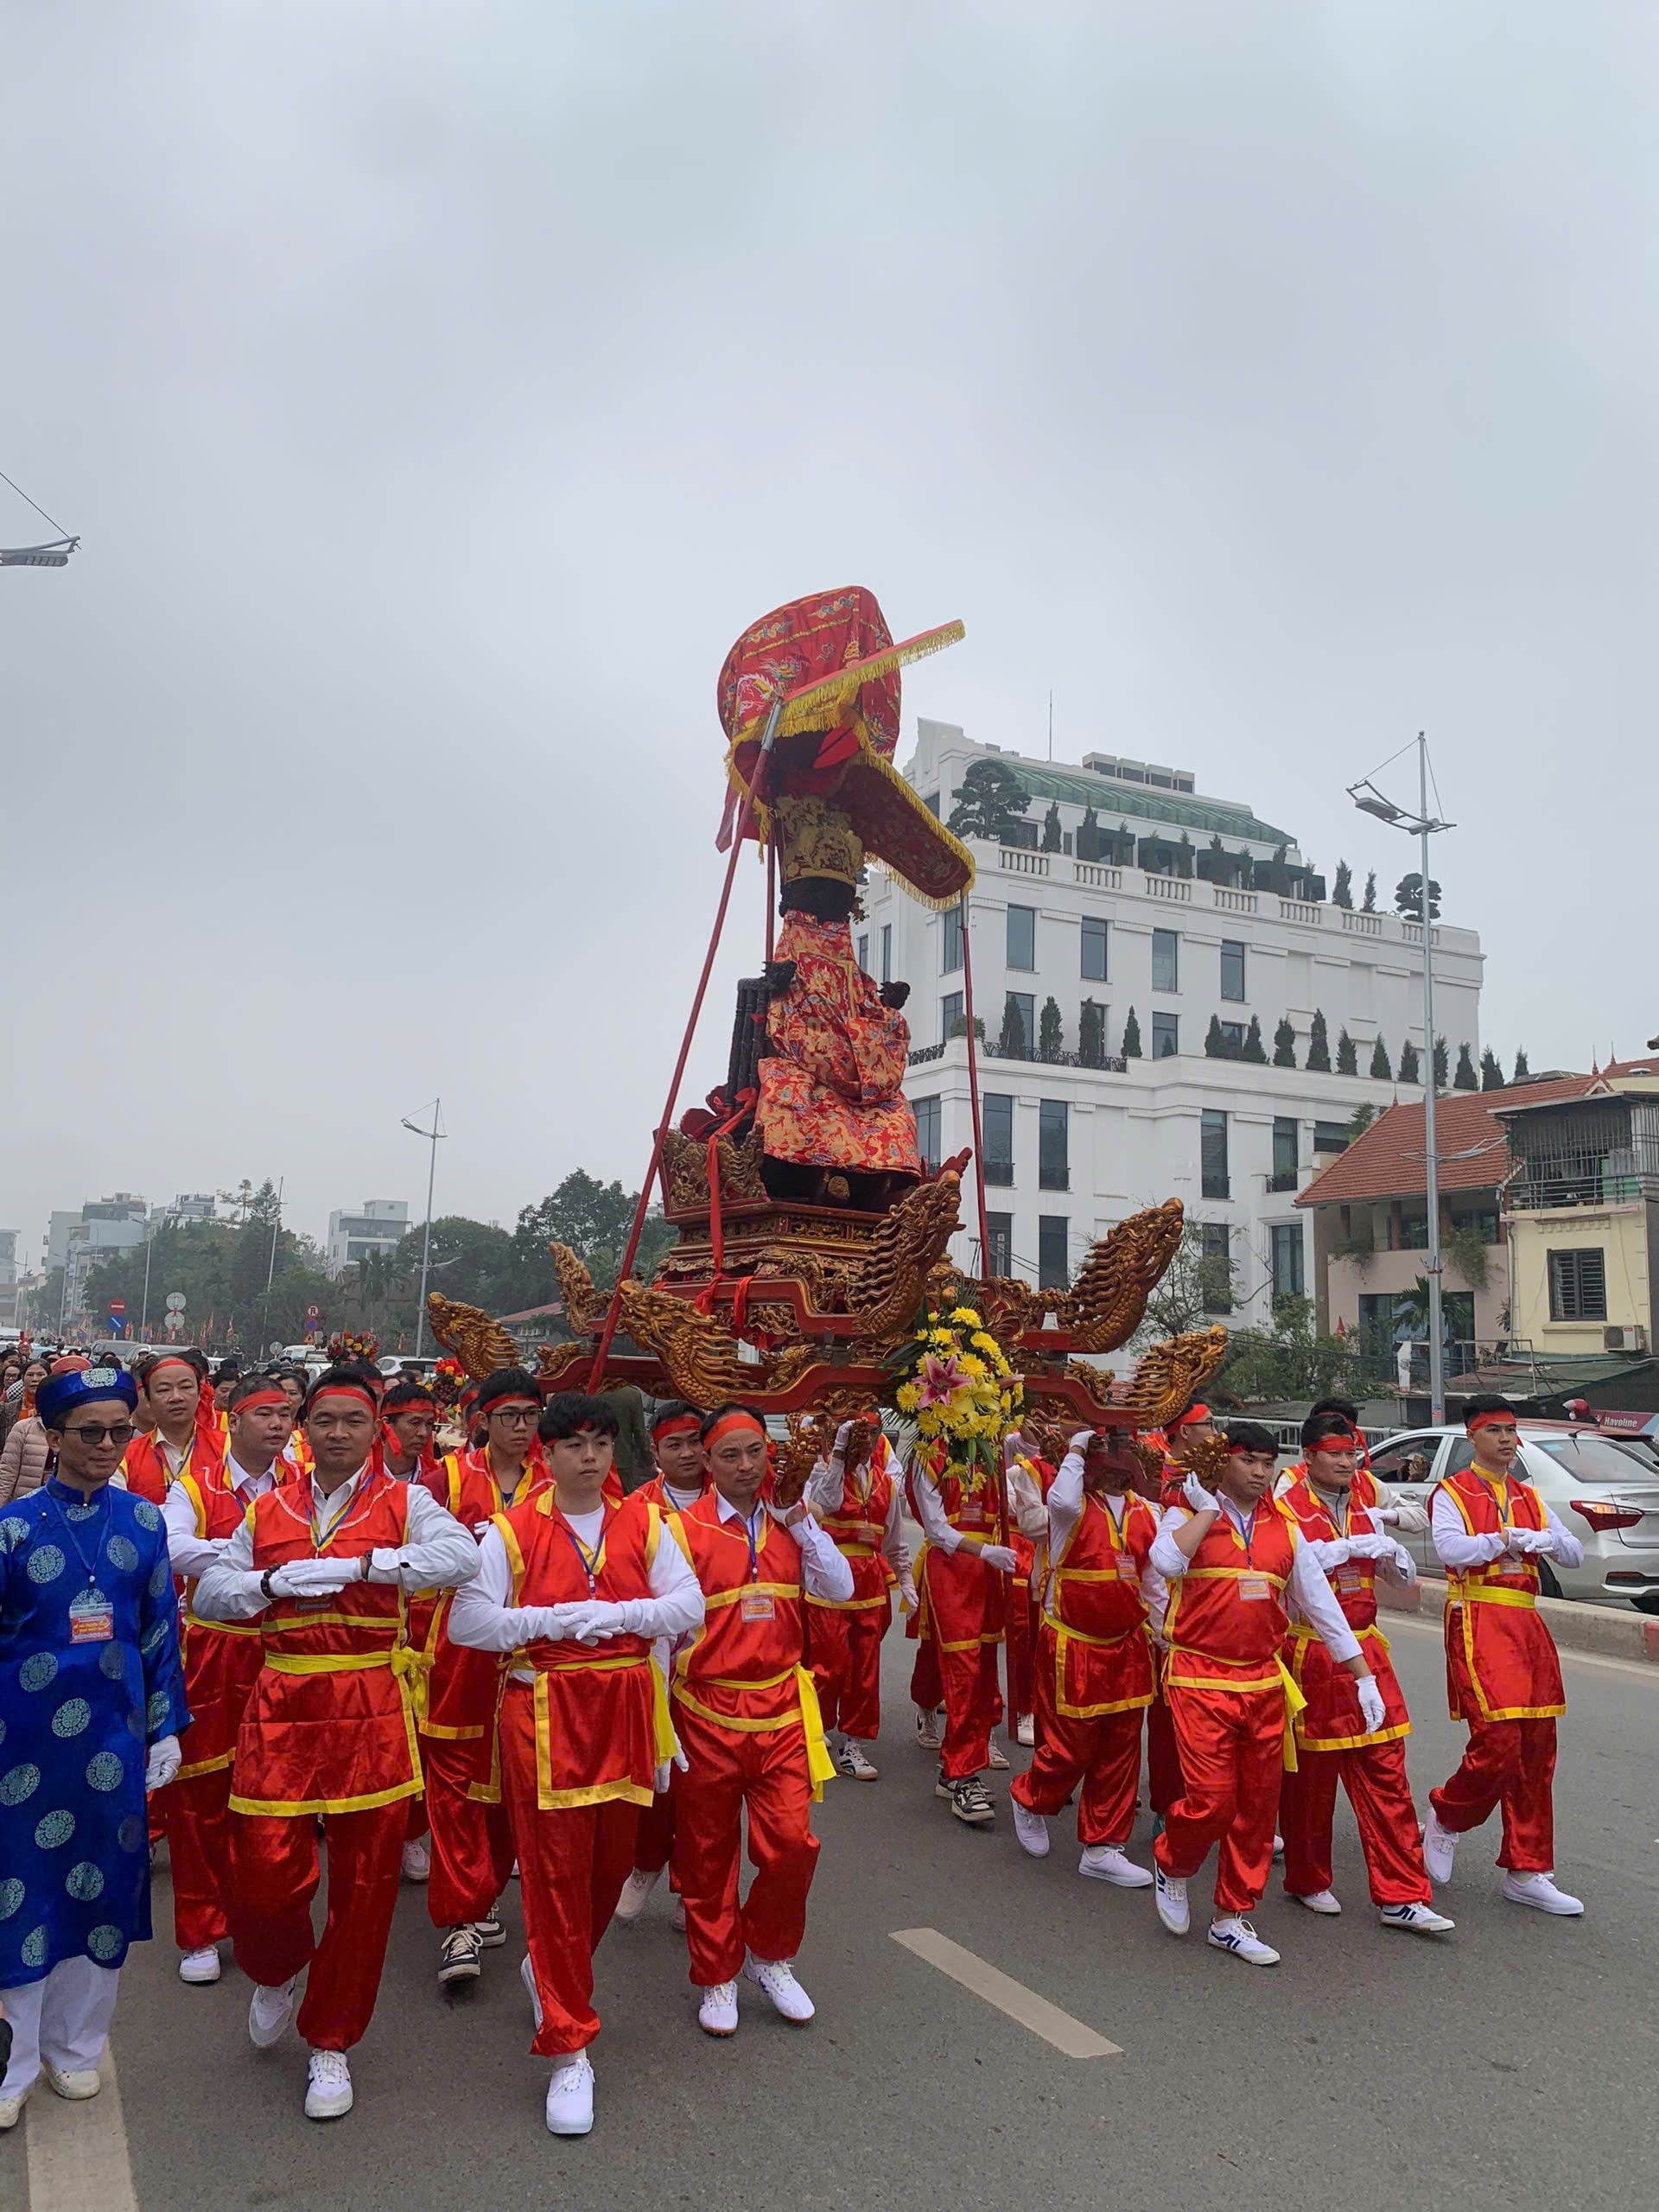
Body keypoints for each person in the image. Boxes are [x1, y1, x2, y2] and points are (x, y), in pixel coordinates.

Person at [191, 1365, 476, 2120]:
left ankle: (332, 2042)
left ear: (374, 1427)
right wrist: (273, 1584)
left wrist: (364, 1566)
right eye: (325, 1421)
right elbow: (214, 1590)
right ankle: (278, 1968)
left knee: (364, 1888)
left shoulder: (406, 1501)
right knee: (262, 1874)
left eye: (354, 1420)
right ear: (305, 1429)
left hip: (370, 1708)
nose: (339, 1433)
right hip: (282, 1701)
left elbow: (460, 1559)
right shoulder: (268, 1506)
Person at [448, 1392, 703, 2135]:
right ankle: (569, 2044)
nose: (588, 1456)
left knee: (608, 1868)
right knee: (555, 1875)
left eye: (600, 1443)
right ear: (547, 1456)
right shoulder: (510, 1529)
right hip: (542, 1710)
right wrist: (549, 1621)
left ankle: (551, 1969)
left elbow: (689, 1603)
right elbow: (470, 1619)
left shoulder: (647, 1522)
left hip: (623, 1710)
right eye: (573, 1445)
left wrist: (624, 1615)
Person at [0, 1363, 188, 2130]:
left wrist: (165, 1728)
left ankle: (75, 2051)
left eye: (120, 1430)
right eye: (91, 1432)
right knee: (20, 1898)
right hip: (21, 1750)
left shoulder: (144, 1523)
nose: (109, 1444)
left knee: (100, 1897)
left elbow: (158, 1636)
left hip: (112, 1744)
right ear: (52, 1437)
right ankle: (9, 2067)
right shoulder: (11, 1531)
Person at [1149, 1421, 1388, 1967]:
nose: (1259, 1473)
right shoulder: (1184, 1516)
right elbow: (1165, 1564)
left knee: (1257, 1808)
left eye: (1266, 1464)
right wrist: (1207, 1507)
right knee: (1213, 1800)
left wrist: (1364, 1675)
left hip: (1262, 1680)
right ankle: (1174, 1860)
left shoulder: (1286, 1529)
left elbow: (1322, 1606)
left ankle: (1231, 1916)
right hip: (1200, 1677)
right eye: (1246, 1461)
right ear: (1221, 1463)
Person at [669, 1403, 851, 2036]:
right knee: (705, 1854)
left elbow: (841, 1586)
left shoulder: (789, 1526)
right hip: (705, 1715)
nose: (746, 1466)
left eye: (755, 1452)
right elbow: (661, 1637)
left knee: (792, 1847)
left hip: (779, 1713)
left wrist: (801, 1525)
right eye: (730, 1455)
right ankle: (717, 1973)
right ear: (706, 1462)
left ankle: (769, 1955)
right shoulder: (679, 1530)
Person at [1275, 1413, 1452, 1935]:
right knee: (1311, 1782)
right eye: (1335, 1454)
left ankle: (1403, 1894)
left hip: (1370, 1650)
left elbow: (1397, 1580)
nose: (1346, 1463)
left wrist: (1393, 1553)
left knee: (1387, 1773)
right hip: (1310, 1653)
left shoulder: (1367, 1509)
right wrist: (1346, 1549)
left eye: (1352, 1454)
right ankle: (1308, 1878)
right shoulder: (1284, 1510)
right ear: (1308, 1456)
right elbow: (1287, 1574)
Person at [1421, 1395, 1586, 1916]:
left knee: (1538, 1748)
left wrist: (1534, 1537)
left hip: (1526, 1623)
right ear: (1472, 1435)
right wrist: (1507, 1540)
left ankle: (1529, 1868)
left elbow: (1573, 1551)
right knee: (1498, 1741)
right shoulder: (1451, 1491)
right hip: (1478, 1620)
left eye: (1512, 1430)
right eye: (1495, 1430)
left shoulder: (1531, 1496)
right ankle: (1447, 1816)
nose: (1508, 1440)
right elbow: (1451, 1551)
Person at [419, 1366, 553, 1989]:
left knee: (510, 1781)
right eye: (509, 1416)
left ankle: (485, 1888)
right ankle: (461, 1920)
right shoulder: (447, 1477)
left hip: (531, 1650)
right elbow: (414, 1559)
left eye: (530, 1415)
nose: (521, 1427)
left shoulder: (557, 1481)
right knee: (453, 1781)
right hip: (460, 1649)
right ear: (484, 1420)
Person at [159, 1373, 295, 1985]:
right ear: (232, 1422)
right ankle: (200, 1928)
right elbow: (172, 1548)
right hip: (216, 1653)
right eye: (263, 1415)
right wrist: (262, 1558)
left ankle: (262, 1917)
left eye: (285, 1416)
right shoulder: (195, 1486)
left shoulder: (306, 1487)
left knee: (276, 1797)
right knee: (201, 1798)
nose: (277, 1426)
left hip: (289, 1653)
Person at [1010, 1428, 1160, 1887]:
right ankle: (1030, 1798)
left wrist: (1166, 1629)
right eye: (1108, 1453)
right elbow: (1062, 1503)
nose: (1119, 1463)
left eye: (1125, 1452)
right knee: (1070, 1750)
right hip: (1073, 1643)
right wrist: (1076, 1448)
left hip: (1129, 1646)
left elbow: (1152, 1581)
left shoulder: (1145, 1511)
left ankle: (1102, 1846)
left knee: (1121, 1750)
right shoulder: (1068, 1507)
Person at [614, 1401, 708, 1924]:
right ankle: (645, 1866)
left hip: (721, 1662)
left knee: (706, 1791)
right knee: (656, 1778)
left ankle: (694, 1887)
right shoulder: (637, 1509)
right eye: (675, 1444)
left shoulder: (733, 1499)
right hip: (658, 1662)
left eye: (697, 1441)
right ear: (656, 1450)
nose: (689, 1453)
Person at [909, 1439, 1019, 1825]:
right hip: (954, 1570)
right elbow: (937, 1530)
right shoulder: (929, 1455)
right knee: (963, 1675)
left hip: (987, 1573)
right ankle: (962, 1773)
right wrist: (984, 1551)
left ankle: (958, 1767)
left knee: (985, 1675)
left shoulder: (989, 1447)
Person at [803, 1414, 915, 1781]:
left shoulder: (885, 1483)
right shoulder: (822, 1474)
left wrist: (906, 1580)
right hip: (827, 1584)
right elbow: (825, 1504)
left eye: (871, 1435)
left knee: (865, 1672)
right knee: (826, 1668)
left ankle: (854, 1744)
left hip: (869, 1588)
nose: (864, 1443)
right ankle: (813, 1736)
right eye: (855, 1436)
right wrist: (837, 1459)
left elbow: (895, 1540)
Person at [121, 1351, 219, 1503]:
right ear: (147, 1398)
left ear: (200, 1394)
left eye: (186, 1387)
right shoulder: (125, 1457)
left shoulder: (227, 1448)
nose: (176, 1397)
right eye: (164, 1390)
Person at [381, 1379, 442, 1493]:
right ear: (386, 1424)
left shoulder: (439, 1477)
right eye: (415, 1423)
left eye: (429, 1423)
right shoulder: (360, 1474)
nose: (423, 1433)